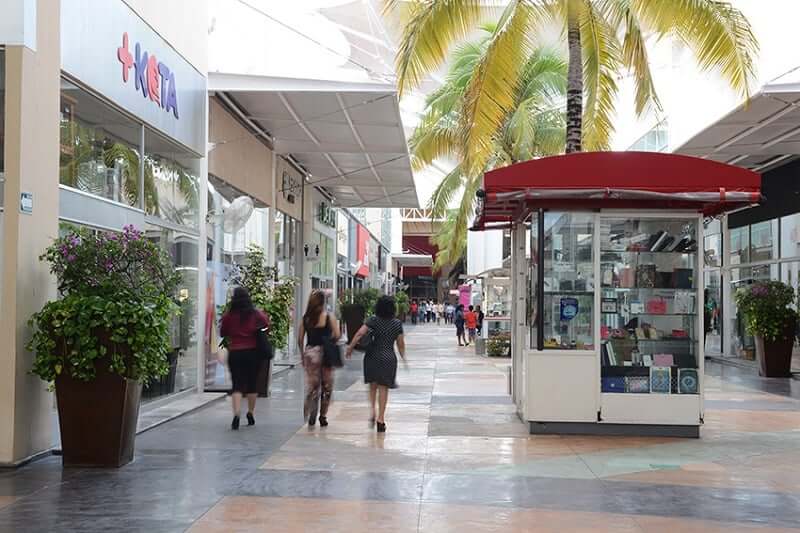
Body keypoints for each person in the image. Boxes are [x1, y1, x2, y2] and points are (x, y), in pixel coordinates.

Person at [346, 295, 406, 433]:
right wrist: (403, 356)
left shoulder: (373, 320)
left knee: (373, 385)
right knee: (383, 388)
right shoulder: (397, 323)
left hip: (372, 356)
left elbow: (360, 334)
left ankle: (373, 410)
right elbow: (400, 343)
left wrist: (350, 347)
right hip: (388, 357)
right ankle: (381, 419)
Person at [220, 287, 270, 430]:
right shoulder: (256, 314)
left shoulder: (229, 316)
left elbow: (223, 332)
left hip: (235, 352)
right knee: (252, 384)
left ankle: (236, 414)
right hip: (253, 353)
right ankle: (250, 412)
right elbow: (266, 326)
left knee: (237, 384)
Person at [298, 290, 341, 428]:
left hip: (311, 353)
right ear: (323, 302)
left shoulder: (306, 319)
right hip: (326, 355)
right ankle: (322, 415)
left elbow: (300, 339)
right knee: (327, 386)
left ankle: (310, 403)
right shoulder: (329, 317)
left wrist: (302, 353)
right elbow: (337, 335)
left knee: (313, 384)